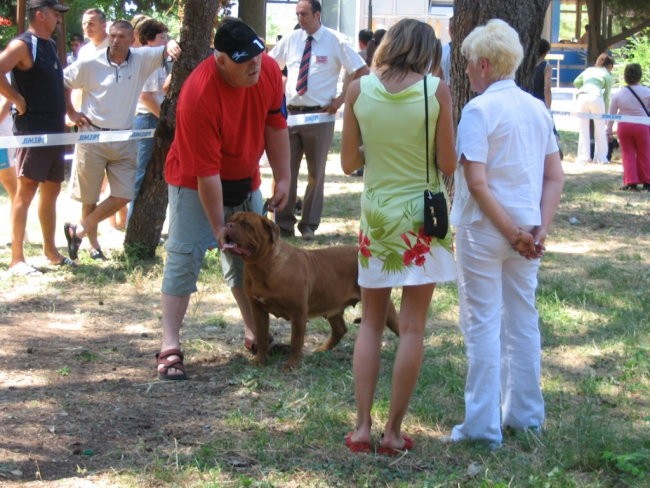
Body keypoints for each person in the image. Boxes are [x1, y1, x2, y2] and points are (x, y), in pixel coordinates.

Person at [446, 19, 564, 448]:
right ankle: (526, 416)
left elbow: (476, 182)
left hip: (486, 229)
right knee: (522, 319)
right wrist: (537, 228)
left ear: (482, 64)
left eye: (467, 65)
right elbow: (556, 176)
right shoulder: (537, 108)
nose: (466, 72)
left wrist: (515, 232)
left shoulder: (478, 111)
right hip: (527, 230)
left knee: (482, 322)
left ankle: (480, 426)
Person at [340, 19, 456, 454]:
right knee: (411, 327)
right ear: (427, 51)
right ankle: (393, 431)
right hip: (422, 218)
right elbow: (447, 164)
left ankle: (361, 428)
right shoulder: (435, 90)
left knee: (371, 322)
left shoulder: (358, 89)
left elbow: (349, 162)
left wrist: (378, 146)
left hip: (377, 216)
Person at [156, 18, 290, 380]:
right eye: (244, 59)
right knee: (184, 257)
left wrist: (284, 176)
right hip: (193, 181)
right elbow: (206, 174)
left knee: (250, 259)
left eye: (258, 56)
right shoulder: (198, 96)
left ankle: (254, 335)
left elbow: (275, 124)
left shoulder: (269, 71)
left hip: (245, 177)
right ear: (220, 59)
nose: (255, 65)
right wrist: (218, 226)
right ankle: (170, 346)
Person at [62, 20, 181, 261]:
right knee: (90, 197)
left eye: (121, 37)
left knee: (124, 194)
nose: (116, 40)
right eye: (113, 35)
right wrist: (72, 113)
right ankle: (93, 246)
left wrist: (174, 45)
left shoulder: (140, 58)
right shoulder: (90, 61)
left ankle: (80, 229)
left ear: (131, 39)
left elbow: (167, 46)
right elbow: (64, 81)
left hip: (124, 137)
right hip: (92, 136)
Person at [269, 0, 369, 240]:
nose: (300, 18)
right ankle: (283, 224)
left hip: (320, 116)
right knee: (285, 171)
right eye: (297, 13)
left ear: (317, 14)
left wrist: (341, 100)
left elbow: (361, 70)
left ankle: (309, 224)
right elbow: (270, 65)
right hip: (291, 115)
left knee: (316, 173)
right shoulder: (292, 40)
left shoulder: (335, 40)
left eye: (304, 13)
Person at [0, 0, 74, 275]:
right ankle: (17, 259)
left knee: (52, 190)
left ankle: (50, 251)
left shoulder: (51, 46)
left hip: (55, 130)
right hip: (32, 131)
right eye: (55, 14)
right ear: (40, 15)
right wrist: (16, 99)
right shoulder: (23, 44)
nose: (58, 19)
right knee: (26, 190)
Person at [129, 18, 171, 220]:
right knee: (140, 173)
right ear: (149, 40)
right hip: (147, 119)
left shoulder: (160, 61)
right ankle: (132, 222)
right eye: (162, 37)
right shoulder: (147, 60)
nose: (166, 40)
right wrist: (164, 118)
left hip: (155, 118)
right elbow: (145, 97)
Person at [607, 63, 650, 191]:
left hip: (624, 126)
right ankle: (647, 181)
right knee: (645, 153)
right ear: (639, 75)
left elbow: (612, 113)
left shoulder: (618, 94)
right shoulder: (647, 91)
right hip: (642, 126)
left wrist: (609, 129)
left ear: (625, 76)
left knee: (627, 153)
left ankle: (631, 182)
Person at [573, 53, 614, 164]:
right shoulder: (607, 74)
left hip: (582, 96)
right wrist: (605, 113)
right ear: (609, 66)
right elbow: (606, 97)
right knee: (600, 128)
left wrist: (583, 87)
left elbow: (576, 82)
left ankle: (583, 157)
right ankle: (601, 158)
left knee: (583, 129)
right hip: (596, 97)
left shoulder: (589, 70)